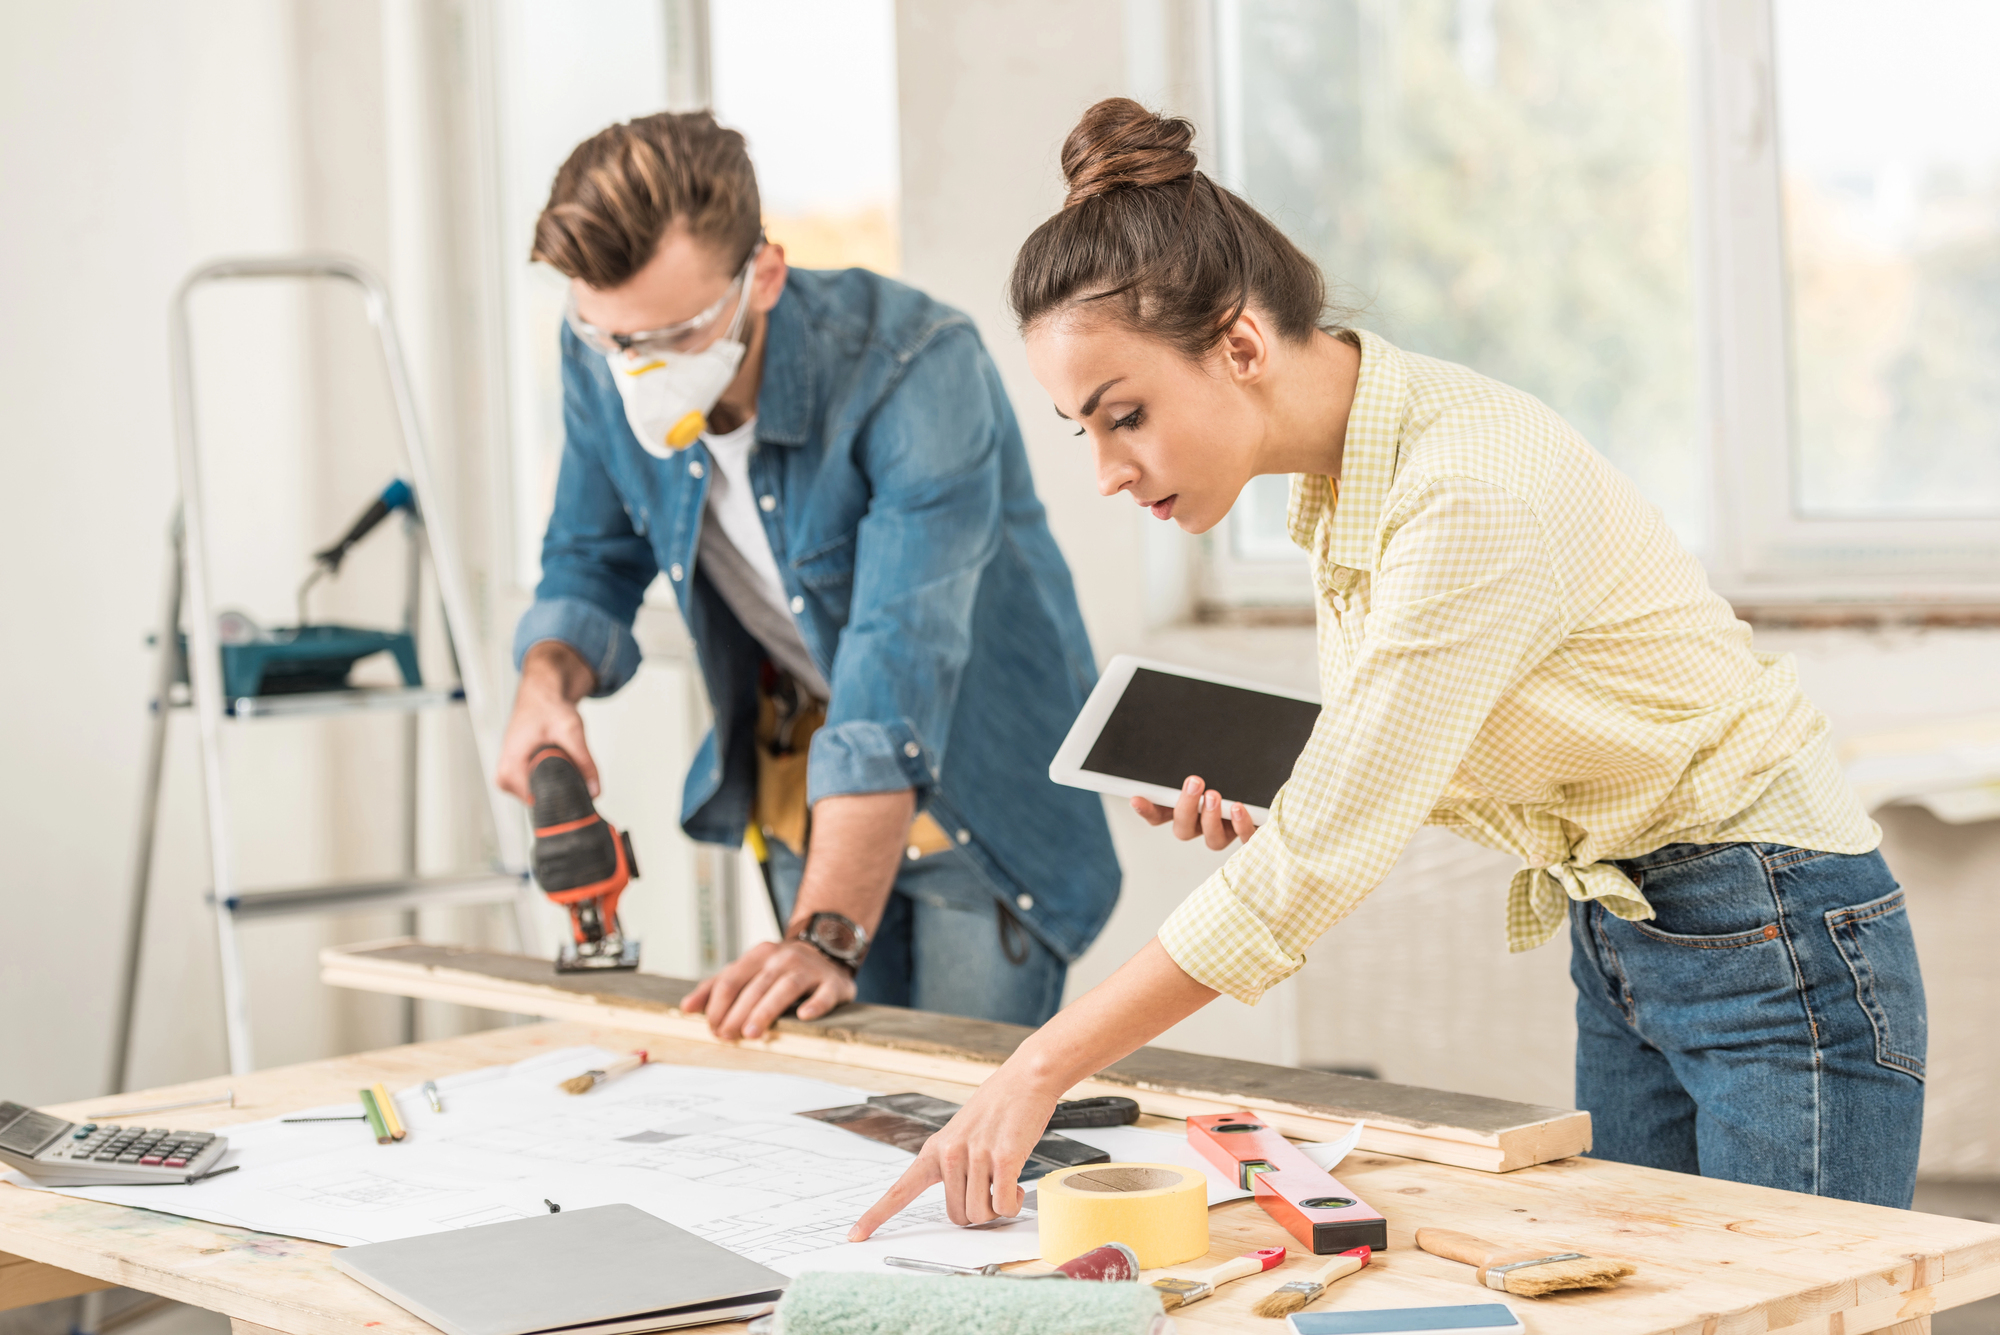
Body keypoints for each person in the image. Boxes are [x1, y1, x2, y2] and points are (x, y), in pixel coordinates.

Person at [852, 98, 1925, 1240]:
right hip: (1625, 927)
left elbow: (1318, 866)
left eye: (1125, 417)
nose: (1109, 471)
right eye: (1084, 431)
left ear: (1241, 346)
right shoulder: (1347, 470)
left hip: (1769, 933)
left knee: (1791, 1309)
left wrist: (1033, 1072)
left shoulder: (1460, 491)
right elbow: (1409, 733)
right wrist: (1295, 787)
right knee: (1652, 1306)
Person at [498, 111, 1118, 1036]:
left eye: (670, 335)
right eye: (611, 340)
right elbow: (591, 556)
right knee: (835, 1121)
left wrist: (823, 937)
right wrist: (546, 685)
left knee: (961, 1125)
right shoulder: (601, 348)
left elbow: (893, 674)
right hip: (805, 778)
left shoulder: (915, 369)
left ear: (765, 275)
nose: (637, 369)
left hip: (973, 785)